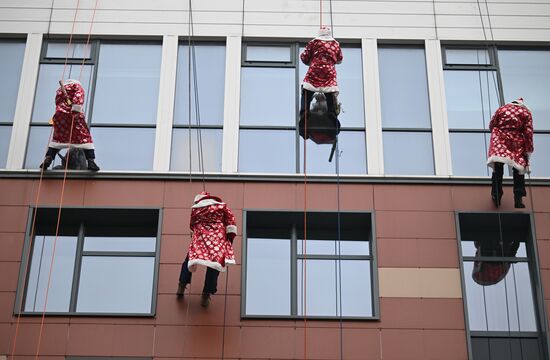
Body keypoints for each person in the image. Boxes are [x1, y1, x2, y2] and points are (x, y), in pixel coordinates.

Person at [177, 191, 237, 307]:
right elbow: (231, 222)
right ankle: (206, 293)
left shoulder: (196, 209)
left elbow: (192, 224)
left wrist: (195, 232)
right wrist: (229, 239)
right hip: (217, 238)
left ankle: (182, 283)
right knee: (215, 264)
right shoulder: (222, 207)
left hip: (201, 237)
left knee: (191, 257)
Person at [39, 79, 100, 171]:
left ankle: (48, 159)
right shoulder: (77, 86)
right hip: (73, 115)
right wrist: (76, 109)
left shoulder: (60, 90)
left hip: (60, 117)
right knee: (85, 138)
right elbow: (79, 97)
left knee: (58, 139)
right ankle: (91, 161)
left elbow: (57, 102)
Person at [487, 97, 533, 208]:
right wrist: (529, 149)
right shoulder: (525, 112)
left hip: (500, 139)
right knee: (519, 169)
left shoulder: (501, 109)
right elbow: (528, 132)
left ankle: (496, 195)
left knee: (498, 167)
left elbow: (492, 125)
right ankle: (518, 198)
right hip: (516, 141)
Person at [299, 26, 343, 143]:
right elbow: (339, 59)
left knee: (307, 90)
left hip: (315, 70)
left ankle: (304, 111)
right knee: (330, 92)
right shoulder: (335, 44)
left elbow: (304, 57)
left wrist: (312, 60)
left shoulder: (313, 42)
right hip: (329, 72)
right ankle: (332, 112)